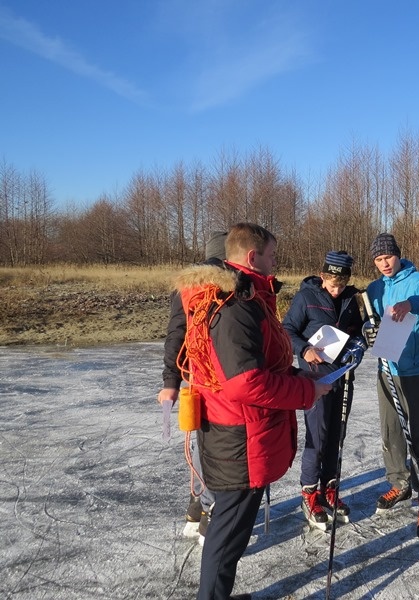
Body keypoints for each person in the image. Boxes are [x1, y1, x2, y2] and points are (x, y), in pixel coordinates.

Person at [175, 222, 331, 600]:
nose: (276, 262)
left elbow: (261, 364)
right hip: (239, 441)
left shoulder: (247, 298)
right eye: (272, 255)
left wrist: (297, 374)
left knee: (231, 533)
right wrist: (307, 390)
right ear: (252, 256)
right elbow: (245, 382)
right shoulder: (234, 307)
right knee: (227, 536)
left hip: (241, 433)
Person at [363, 232, 419, 545]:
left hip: (417, 370)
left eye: (387, 256)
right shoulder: (374, 289)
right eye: (377, 259)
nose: (384, 263)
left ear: (397, 254)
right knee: (391, 432)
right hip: (387, 368)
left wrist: (414, 303)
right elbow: (369, 323)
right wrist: (368, 332)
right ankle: (399, 483)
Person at [282, 251, 367, 530]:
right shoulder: (306, 297)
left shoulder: (350, 300)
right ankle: (309, 492)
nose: (337, 289)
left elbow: (356, 332)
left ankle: (329, 487)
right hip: (314, 377)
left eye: (341, 285)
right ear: (322, 277)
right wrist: (304, 349)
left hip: (342, 375)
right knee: (317, 436)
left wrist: (359, 344)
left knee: (336, 435)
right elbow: (287, 330)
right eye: (332, 284)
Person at [158, 230, 227, 545]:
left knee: (201, 440)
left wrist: (171, 381)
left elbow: (176, 333)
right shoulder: (228, 285)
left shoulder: (187, 285)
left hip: (197, 377)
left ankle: (196, 506)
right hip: (221, 379)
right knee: (216, 444)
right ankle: (209, 511)